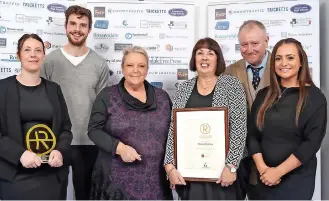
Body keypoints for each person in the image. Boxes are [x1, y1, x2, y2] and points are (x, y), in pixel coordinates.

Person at [0, 34, 72, 200]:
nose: (33, 54)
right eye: (27, 50)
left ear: (43, 56)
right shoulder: (1, 88)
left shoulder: (54, 89)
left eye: (38, 50)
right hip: (14, 174)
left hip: (51, 175)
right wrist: (20, 154)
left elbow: (65, 129)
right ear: (18, 55)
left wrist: (60, 151)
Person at [164, 37, 247, 200]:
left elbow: (239, 127)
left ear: (218, 59)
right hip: (191, 173)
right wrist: (169, 167)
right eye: (199, 53)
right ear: (194, 59)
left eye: (210, 53)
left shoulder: (232, 85)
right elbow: (174, 129)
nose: (204, 57)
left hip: (223, 174)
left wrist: (231, 166)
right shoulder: (183, 88)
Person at [41, 5, 109, 200]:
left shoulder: (99, 64)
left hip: (89, 142)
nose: (77, 29)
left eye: (83, 25)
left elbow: (102, 108)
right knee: (53, 195)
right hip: (54, 141)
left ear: (89, 29)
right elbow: (41, 102)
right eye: (73, 23)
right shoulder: (49, 61)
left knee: (86, 196)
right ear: (65, 26)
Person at [88, 46, 172, 200]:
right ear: (122, 68)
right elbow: (94, 130)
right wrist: (119, 148)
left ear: (147, 69)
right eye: (130, 65)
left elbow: (173, 135)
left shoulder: (163, 98)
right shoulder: (107, 95)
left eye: (141, 66)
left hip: (155, 181)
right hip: (115, 183)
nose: (136, 70)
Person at [249, 38, 327, 200]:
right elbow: (252, 135)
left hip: (296, 182)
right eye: (278, 58)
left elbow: (311, 143)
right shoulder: (264, 95)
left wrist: (278, 172)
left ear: (301, 62)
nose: (283, 63)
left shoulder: (315, 97)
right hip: (262, 180)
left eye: (290, 57)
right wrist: (263, 169)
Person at [225, 20, 271, 200]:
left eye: (255, 43)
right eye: (244, 44)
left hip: (274, 157)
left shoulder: (282, 68)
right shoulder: (229, 72)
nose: (249, 49)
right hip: (240, 160)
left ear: (266, 40)